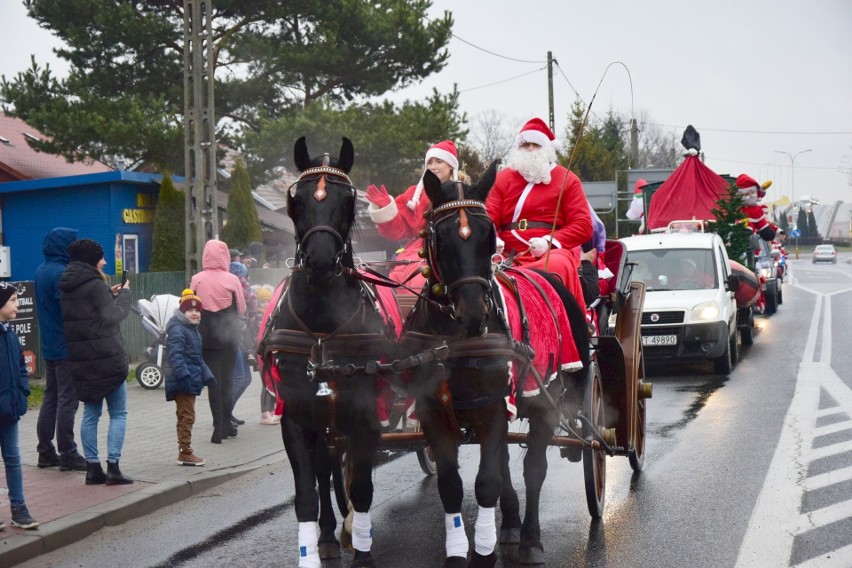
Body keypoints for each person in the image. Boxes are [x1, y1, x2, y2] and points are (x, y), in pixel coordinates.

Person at [486, 118, 593, 309]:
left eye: (535, 144)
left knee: (557, 266)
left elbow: (583, 225)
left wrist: (549, 241)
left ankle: (562, 323)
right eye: (525, 144)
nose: (529, 149)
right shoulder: (502, 179)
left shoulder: (567, 179)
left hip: (550, 252)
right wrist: (492, 238)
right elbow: (488, 217)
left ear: (547, 149)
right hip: (508, 253)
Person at [59, 239, 133, 486]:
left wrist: (108, 295)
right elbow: (111, 317)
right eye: (101, 258)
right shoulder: (94, 284)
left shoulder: (69, 284)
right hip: (107, 359)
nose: (104, 262)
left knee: (90, 414)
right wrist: (124, 295)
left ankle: (92, 468)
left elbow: (90, 314)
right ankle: (113, 468)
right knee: (118, 414)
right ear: (92, 259)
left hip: (82, 361)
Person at [366, 140, 460, 292]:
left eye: (439, 161)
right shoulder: (414, 194)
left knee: (419, 278)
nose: (433, 167)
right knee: (392, 280)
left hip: (451, 248)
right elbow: (398, 230)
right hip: (416, 250)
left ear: (451, 165)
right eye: (429, 162)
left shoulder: (463, 193)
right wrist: (386, 209)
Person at [34, 227, 87, 472]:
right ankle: (68, 452)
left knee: (51, 398)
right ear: (64, 246)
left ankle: (45, 451)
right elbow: (70, 308)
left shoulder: (41, 270)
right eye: (72, 242)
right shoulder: (61, 273)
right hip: (66, 346)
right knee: (69, 400)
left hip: (49, 345)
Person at [189, 239, 246, 444]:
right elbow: (241, 309)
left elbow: (191, 306)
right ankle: (226, 422)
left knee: (214, 383)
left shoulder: (196, 279)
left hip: (206, 338)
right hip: (228, 336)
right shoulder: (232, 279)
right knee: (228, 381)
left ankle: (218, 428)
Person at [0, 282, 40, 529]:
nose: (18, 304)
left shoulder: (10, 334)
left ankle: (19, 508)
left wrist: (23, 392)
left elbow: (21, 367)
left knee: (13, 458)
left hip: (10, 408)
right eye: (13, 300)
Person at [165, 289, 215, 466]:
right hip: (182, 379)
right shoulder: (179, 330)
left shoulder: (192, 330)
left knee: (185, 415)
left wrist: (207, 376)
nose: (194, 313)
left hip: (190, 377)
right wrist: (184, 376)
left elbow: (197, 358)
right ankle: (185, 453)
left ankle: (184, 450)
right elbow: (176, 355)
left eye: (197, 311)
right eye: (189, 310)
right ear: (182, 312)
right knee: (187, 417)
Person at [228, 259, 257, 425]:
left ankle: (227, 411)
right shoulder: (234, 288)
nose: (244, 281)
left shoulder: (243, 288)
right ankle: (224, 414)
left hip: (243, 338)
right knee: (240, 378)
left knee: (245, 379)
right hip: (232, 338)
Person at [253, 285, 280, 425]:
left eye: (267, 301)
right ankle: (265, 413)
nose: (265, 304)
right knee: (266, 382)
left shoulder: (270, 314)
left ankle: (272, 410)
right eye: (263, 301)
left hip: (267, 350)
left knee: (272, 380)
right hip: (260, 351)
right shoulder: (259, 316)